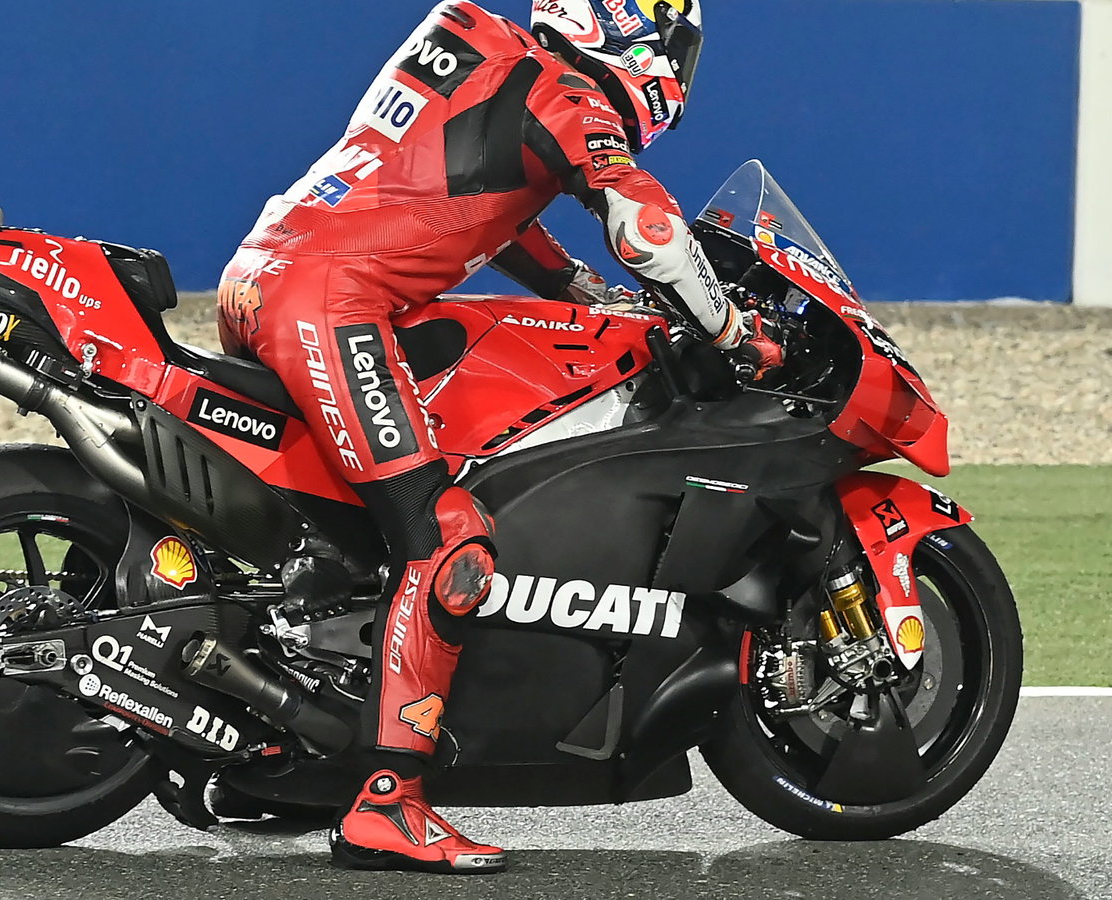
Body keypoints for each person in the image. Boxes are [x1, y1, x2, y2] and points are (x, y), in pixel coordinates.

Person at [216, 0, 781, 875]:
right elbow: (649, 234)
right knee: (445, 537)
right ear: (631, 32)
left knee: (355, 534)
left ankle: (290, 755)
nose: (679, 68)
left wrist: (577, 290)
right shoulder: (571, 99)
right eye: (676, 46)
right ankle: (387, 804)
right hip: (332, 304)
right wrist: (735, 332)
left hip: (263, 279)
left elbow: (474, 190)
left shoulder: (479, 41)